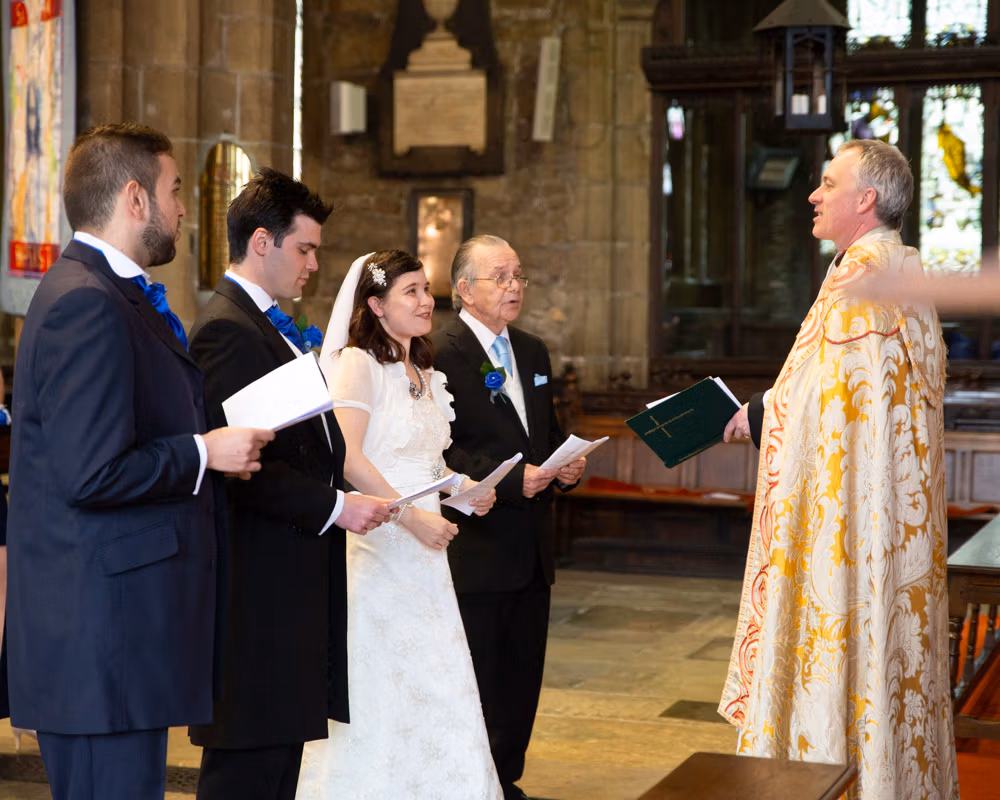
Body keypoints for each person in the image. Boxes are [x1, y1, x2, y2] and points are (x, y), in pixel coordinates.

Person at [6, 123, 273, 800]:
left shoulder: (110, 294)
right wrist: (204, 452)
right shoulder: (86, 303)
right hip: (101, 645)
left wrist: (209, 453)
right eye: (174, 190)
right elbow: (90, 472)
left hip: (121, 640)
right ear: (134, 198)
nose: (183, 208)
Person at [718, 140, 958, 800]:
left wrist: (758, 413)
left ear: (866, 199)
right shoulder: (901, 269)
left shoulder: (863, 278)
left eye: (828, 183)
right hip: (891, 533)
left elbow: (824, 399)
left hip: (848, 533)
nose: (813, 195)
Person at [186, 169, 390, 800]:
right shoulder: (227, 329)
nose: (313, 266)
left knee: (277, 763)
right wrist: (337, 505)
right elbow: (243, 468)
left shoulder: (267, 323)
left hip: (287, 575)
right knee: (246, 768)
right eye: (305, 249)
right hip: (257, 589)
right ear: (261, 243)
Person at [297, 249, 501, 798]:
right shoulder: (357, 364)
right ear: (376, 305)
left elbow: (426, 462)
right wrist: (409, 518)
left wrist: (463, 489)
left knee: (435, 675)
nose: (425, 300)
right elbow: (349, 457)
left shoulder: (424, 371)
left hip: (426, 550)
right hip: (381, 543)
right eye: (410, 291)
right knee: (383, 678)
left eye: (426, 288)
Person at [431, 235, 585, 800]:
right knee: (480, 678)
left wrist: (566, 466)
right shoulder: (438, 352)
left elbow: (543, 436)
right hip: (479, 544)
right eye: (500, 277)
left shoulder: (533, 351)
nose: (514, 286)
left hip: (532, 547)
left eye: (519, 276)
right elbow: (439, 448)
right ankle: (471, 784)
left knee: (522, 679)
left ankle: (505, 782)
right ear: (465, 289)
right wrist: (512, 478)